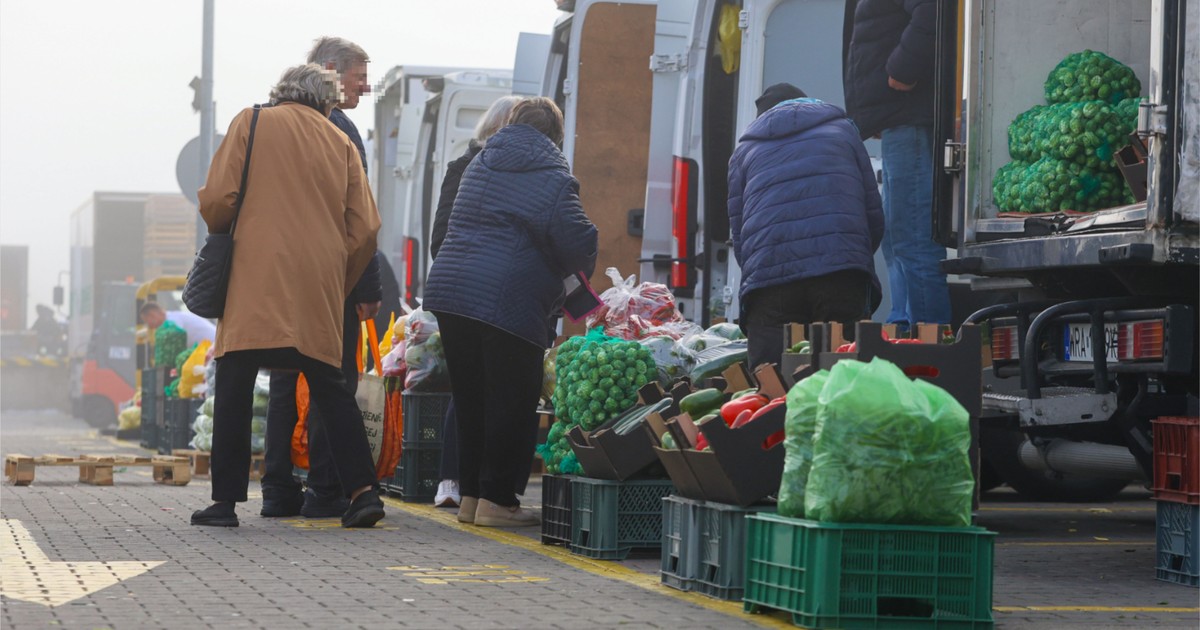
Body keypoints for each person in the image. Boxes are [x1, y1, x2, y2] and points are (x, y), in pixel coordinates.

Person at [191, 63, 384, 529]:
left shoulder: (252, 121)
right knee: (331, 389)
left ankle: (225, 503)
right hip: (317, 283)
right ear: (326, 102)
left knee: (235, 384)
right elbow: (365, 228)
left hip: (254, 275)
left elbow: (218, 198)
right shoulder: (340, 142)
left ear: (282, 91)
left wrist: (229, 231)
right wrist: (337, 276)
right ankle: (363, 493)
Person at [424, 97, 597, 527]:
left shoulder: (478, 164)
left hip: (453, 294)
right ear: (555, 135)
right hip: (508, 300)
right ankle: (498, 501)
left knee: (472, 401)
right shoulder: (555, 177)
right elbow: (577, 244)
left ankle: (471, 498)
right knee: (511, 402)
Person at [261, 36, 383, 520]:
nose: (365, 87)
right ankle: (325, 487)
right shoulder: (339, 130)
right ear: (329, 71)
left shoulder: (267, 125)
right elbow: (360, 218)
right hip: (331, 278)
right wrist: (366, 287)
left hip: (277, 276)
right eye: (358, 77)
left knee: (283, 380)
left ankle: (276, 488)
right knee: (332, 381)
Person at [727, 83, 884, 369]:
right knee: (846, 371)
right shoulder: (844, 132)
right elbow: (872, 212)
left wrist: (765, 267)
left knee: (770, 378)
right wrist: (852, 257)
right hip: (840, 270)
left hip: (769, 277)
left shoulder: (744, 151)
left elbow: (739, 234)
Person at [428, 94, 523, 509]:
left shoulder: (510, 169)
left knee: (477, 390)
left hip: (475, 291)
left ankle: (474, 490)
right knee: (473, 390)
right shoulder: (465, 166)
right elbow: (440, 237)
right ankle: (457, 481)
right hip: (475, 293)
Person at [843, 0, 949, 331]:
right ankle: (904, 327)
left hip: (908, 116)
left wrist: (902, 71)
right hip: (898, 118)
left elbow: (933, 10)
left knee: (913, 239)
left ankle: (928, 340)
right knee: (896, 239)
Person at [139, 302, 216, 348]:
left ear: (152, 315)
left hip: (214, 347)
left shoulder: (173, 320)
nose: (149, 326)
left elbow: (176, 341)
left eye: (146, 321)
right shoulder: (173, 318)